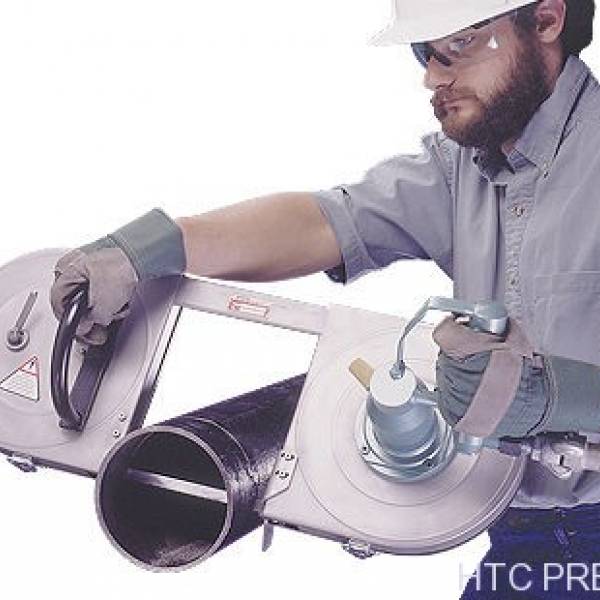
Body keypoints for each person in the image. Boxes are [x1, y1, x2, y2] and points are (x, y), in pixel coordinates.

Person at [51, 0, 600, 597]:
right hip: (523, 536)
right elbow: (325, 222)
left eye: (456, 46)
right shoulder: (463, 168)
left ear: (546, 21)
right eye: (423, 53)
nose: (431, 77)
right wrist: (153, 247)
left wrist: (556, 394)